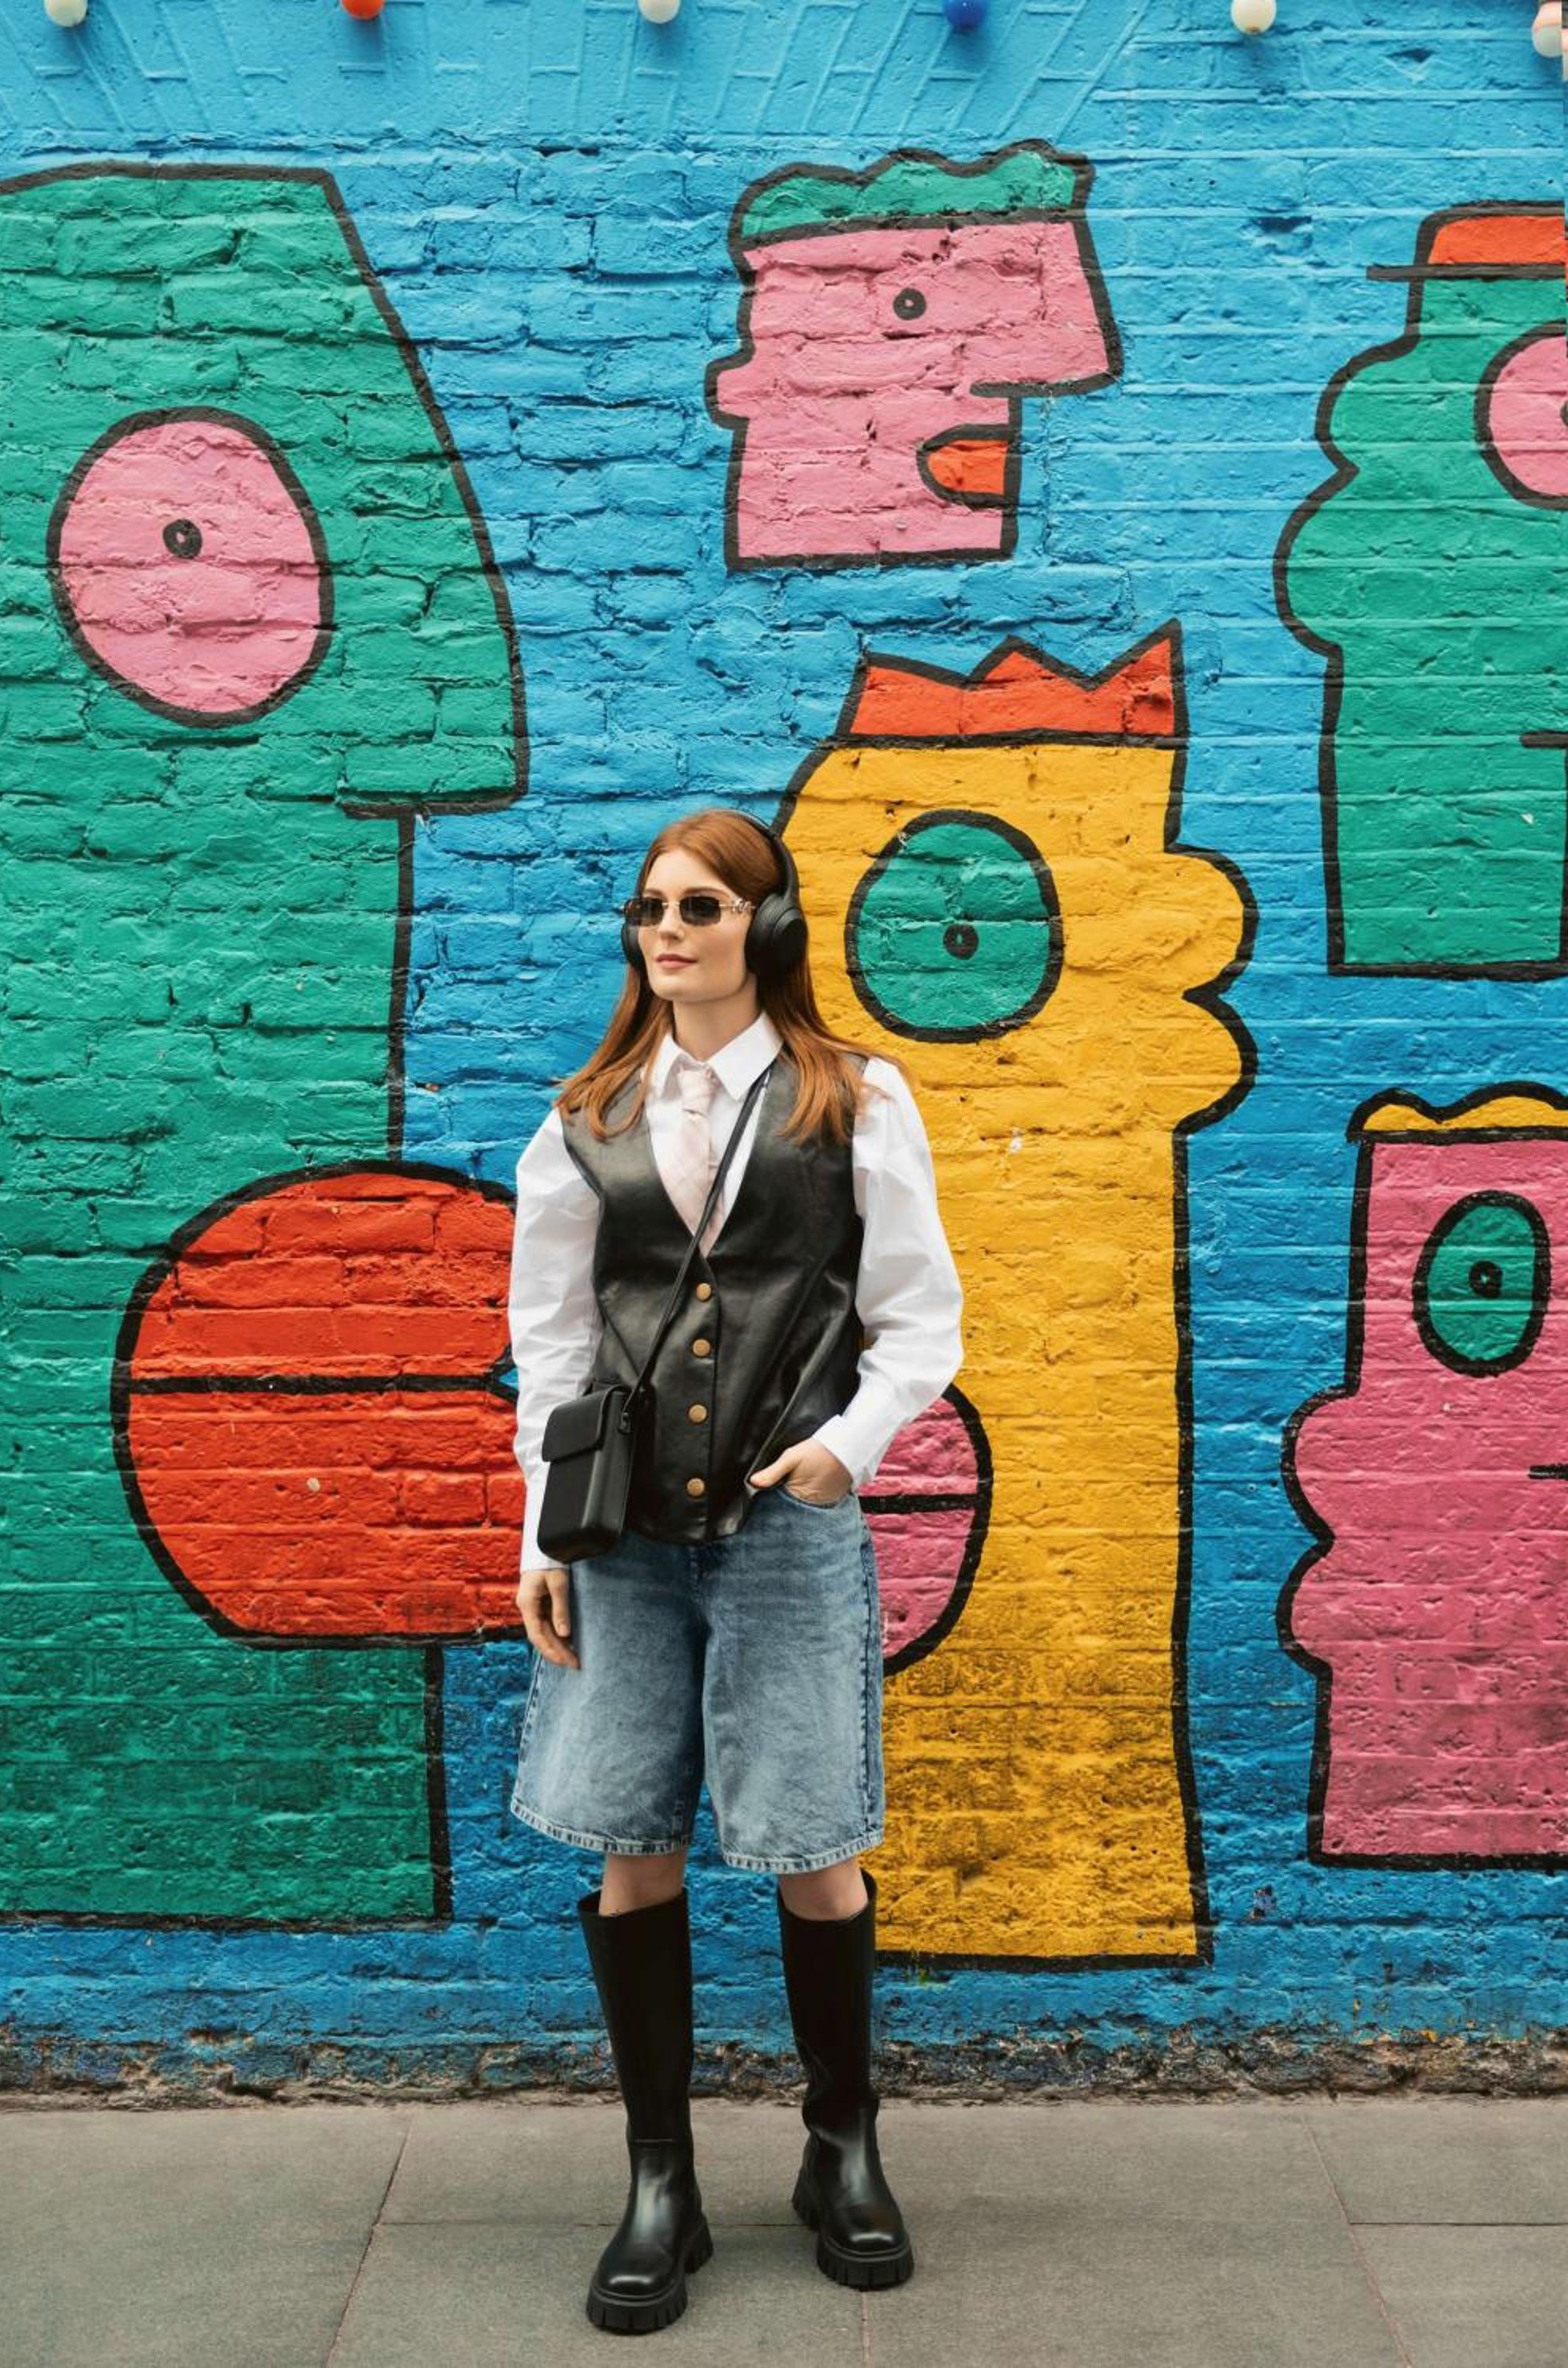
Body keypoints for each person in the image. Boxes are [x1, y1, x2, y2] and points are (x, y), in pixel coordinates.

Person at [506, 806, 964, 2334]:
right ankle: (663, 2182)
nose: (668, 930)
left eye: (700, 906)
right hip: (626, 1539)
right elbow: (551, 1343)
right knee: (630, 1843)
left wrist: (852, 1444)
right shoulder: (589, 1115)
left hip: (787, 1527)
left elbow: (920, 1315)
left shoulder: (853, 1099)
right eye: (651, 908)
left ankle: (842, 2151)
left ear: (765, 926)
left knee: (814, 1843)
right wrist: (542, 1528)